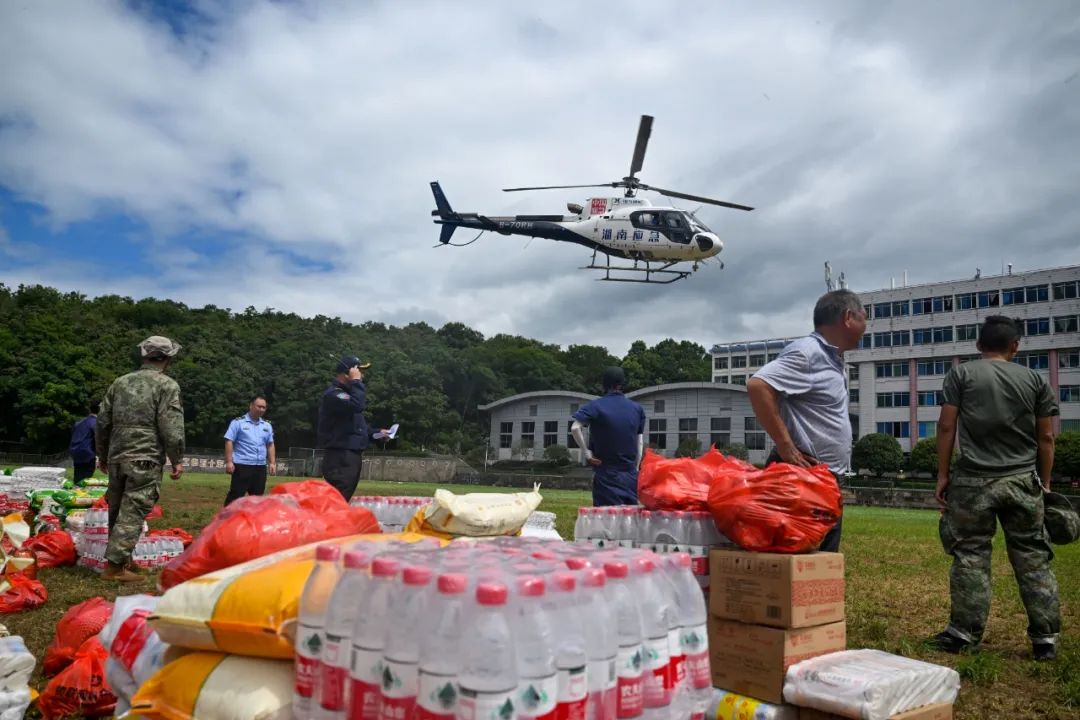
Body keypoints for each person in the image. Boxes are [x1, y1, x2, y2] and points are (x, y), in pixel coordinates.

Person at [930, 316, 1060, 661]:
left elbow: (946, 427)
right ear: (1015, 346)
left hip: (973, 482)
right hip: (1022, 482)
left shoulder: (961, 374)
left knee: (970, 556)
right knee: (1033, 558)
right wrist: (1044, 483)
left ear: (978, 345)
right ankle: (1045, 639)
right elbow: (1046, 437)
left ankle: (962, 634)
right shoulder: (1034, 380)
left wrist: (943, 475)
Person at [747, 289, 867, 552]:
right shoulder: (808, 353)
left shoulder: (833, 360)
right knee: (797, 564)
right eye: (864, 318)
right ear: (848, 317)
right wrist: (785, 445)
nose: (865, 327)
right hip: (801, 476)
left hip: (821, 478)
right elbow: (758, 386)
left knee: (821, 565)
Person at [95, 335, 185, 582]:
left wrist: (103, 454)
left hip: (117, 454)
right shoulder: (167, 386)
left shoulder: (120, 383)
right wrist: (177, 458)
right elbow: (171, 426)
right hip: (145, 456)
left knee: (117, 508)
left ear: (144, 355)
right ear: (167, 359)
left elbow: (102, 421)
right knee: (134, 509)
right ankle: (114, 567)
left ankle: (124, 561)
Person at [571, 366, 646, 506]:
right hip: (629, 473)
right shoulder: (637, 408)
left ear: (604, 384)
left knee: (606, 519)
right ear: (622, 383)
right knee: (629, 519)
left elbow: (575, 428)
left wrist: (586, 452)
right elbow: (639, 442)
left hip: (606, 472)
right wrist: (635, 467)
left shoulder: (595, 406)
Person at [317, 356, 387, 501]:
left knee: (343, 498)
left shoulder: (349, 396)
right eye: (359, 370)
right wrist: (356, 382)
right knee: (338, 499)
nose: (362, 375)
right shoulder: (334, 394)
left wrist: (377, 434)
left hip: (349, 456)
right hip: (340, 456)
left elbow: (357, 428)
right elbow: (357, 405)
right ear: (347, 372)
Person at [223, 396, 276, 505]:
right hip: (242, 465)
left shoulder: (267, 425)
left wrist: (272, 463)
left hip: (260, 467)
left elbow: (270, 444)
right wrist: (229, 461)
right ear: (251, 406)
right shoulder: (238, 423)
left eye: (264, 407)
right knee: (236, 496)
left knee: (257, 498)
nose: (261, 409)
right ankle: (226, 520)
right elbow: (229, 441)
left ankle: (252, 521)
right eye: (259, 406)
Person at [69, 401, 100, 484]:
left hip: (76, 453)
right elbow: (99, 439)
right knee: (85, 481)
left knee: (78, 478)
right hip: (88, 454)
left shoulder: (79, 423)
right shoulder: (96, 423)